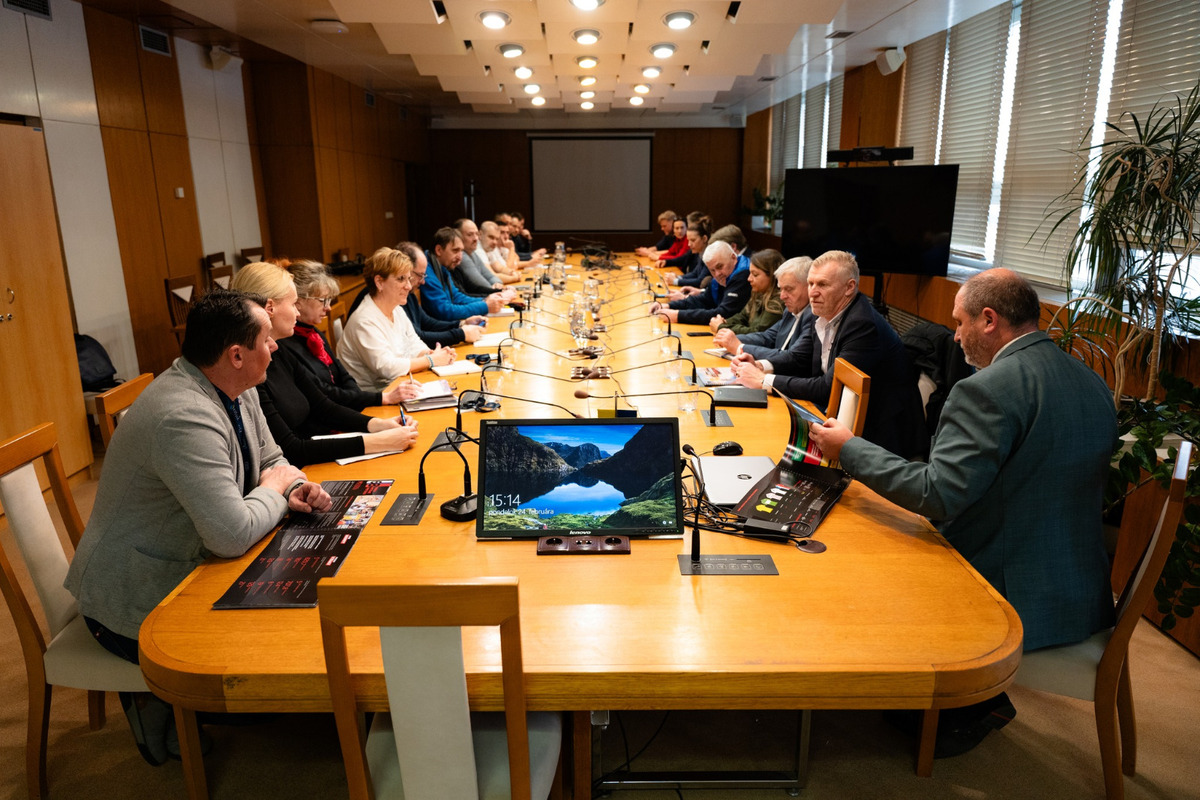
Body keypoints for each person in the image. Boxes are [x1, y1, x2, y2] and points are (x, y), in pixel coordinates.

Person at [809, 268, 1118, 756]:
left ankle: (956, 700)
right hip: (1079, 590)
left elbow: (938, 495)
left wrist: (850, 448)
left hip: (1011, 596)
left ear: (989, 319)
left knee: (858, 557)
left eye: (959, 322)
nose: (954, 336)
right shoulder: (1090, 379)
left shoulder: (987, 390)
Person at [63, 289, 332, 764]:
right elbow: (230, 535)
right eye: (267, 339)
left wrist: (295, 485)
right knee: (262, 692)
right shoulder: (182, 414)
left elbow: (273, 461)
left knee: (294, 638)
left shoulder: (233, 384)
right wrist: (273, 491)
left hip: (193, 558)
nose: (275, 347)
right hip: (137, 596)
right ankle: (153, 700)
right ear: (235, 354)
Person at [731, 250, 926, 459]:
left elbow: (829, 387)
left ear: (849, 287)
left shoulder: (862, 324)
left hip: (881, 437)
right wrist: (762, 366)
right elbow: (800, 358)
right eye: (811, 283)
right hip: (840, 418)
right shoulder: (824, 313)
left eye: (822, 285)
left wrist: (763, 381)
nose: (813, 292)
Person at [232, 261, 419, 466]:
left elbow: (323, 405)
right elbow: (292, 449)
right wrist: (378, 441)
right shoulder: (250, 370)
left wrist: (380, 425)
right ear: (270, 309)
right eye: (294, 304)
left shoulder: (280, 350)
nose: (297, 313)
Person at [278, 259, 420, 410]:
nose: (328, 308)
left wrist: (360, 402)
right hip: (338, 413)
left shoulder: (313, 331)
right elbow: (324, 394)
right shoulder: (286, 344)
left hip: (353, 404)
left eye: (329, 301)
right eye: (323, 301)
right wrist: (377, 401)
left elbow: (344, 376)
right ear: (298, 301)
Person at [341, 246, 458, 391]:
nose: (408, 286)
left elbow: (414, 344)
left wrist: (433, 354)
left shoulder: (396, 309)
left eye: (409, 279)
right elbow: (387, 368)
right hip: (373, 401)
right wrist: (430, 360)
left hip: (398, 387)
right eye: (401, 279)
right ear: (379, 282)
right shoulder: (364, 320)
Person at [713, 256, 812, 361]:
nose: (782, 296)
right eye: (781, 289)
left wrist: (740, 347)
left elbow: (792, 357)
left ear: (809, 286)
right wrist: (728, 339)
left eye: (788, 289)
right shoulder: (790, 311)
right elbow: (768, 336)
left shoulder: (812, 317)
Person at [395, 241, 486, 348]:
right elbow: (419, 337)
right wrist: (461, 334)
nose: (423, 282)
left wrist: (462, 324)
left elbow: (427, 323)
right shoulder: (398, 298)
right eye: (420, 275)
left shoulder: (409, 294)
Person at [648, 240, 751, 326]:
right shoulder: (724, 274)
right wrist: (669, 306)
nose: (717, 274)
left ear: (733, 257)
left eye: (720, 267)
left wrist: (678, 315)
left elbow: (723, 313)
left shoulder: (743, 275)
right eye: (712, 270)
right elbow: (703, 300)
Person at [420, 227, 510, 322]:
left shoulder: (441, 266)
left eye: (461, 251)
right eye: (455, 251)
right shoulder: (426, 272)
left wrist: (486, 300)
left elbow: (457, 297)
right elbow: (444, 310)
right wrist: (485, 306)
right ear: (438, 250)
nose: (460, 257)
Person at [710, 248, 784, 335]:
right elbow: (742, 317)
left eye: (755, 275)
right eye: (750, 273)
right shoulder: (758, 293)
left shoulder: (778, 301)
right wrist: (724, 322)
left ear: (772, 275)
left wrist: (722, 327)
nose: (749, 279)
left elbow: (758, 332)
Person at [453, 218, 509, 292]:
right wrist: (494, 289)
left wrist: (497, 283)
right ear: (458, 236)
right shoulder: (462, 256)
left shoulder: (472, 253)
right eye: (470, 235)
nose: (476, 238)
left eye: (476, 234)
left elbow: (491, 276)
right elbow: (481, 284)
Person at [661, 217, 712, 289]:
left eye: (693, 240)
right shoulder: (701, 252)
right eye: (688, 240)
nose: (689, 244)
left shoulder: (710, 255)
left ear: (704, 239)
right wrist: (678, 277)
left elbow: (700, 281)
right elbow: (694, 273)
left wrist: (676, 281)